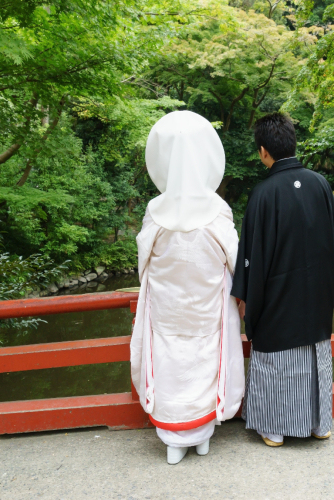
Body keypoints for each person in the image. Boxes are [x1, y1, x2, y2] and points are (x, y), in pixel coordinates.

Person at [130, 110, 245, 465]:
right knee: (206, 361)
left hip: (167, 308)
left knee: (167, 364)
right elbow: (235, 259)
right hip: (207, 306)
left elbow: (144, 262)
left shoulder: (155, 210)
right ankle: (203, 436)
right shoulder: (218, 210)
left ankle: (173, 441)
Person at [231, 112, 334, 447]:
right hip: (315, 299)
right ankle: (318, 424)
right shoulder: (321, 185)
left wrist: (246, 297)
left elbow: (250, 257)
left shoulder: (263, 194)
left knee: (276, 359)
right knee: (315, 358)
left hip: (277, 302)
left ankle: (274, 428)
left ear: (263, 151)